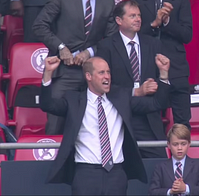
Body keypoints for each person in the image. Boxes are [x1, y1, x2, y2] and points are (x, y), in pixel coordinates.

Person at [40, 54, 171, 195]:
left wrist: (163, 75)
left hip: (116, 174)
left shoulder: (121, 97)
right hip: (86, 175)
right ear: (88, 76)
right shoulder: (73, 100)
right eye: (101, 72)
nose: (107, 76)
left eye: (108, 72)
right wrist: (48, 74)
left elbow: (157, 103)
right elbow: (48, 105)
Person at [33, 0, 118, 135]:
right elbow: (39, 25)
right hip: (64, 72)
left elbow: (112, 38)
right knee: (55, 126)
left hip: (92, 75)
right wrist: (60, 47)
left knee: (90, 127)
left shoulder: (107, 4)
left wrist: (90, 52)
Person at [97, 0, 167, 158]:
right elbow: (102, 84)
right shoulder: (106, 46)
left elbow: (161, 78)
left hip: (148, 115)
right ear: (119, 21)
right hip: (120, 113)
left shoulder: (153, 44)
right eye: (132, 16)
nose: (138, 19)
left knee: (157, 161)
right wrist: (136, 91)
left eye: (139, 16)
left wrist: (161, 78)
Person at [131, 0, 192, 129]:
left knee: (182, 122)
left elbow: (187, 35)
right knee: (148, 123)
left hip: (175, 66)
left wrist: (167, 22)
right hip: (147, 65)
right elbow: (132, 35)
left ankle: (182, 152)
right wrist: (154, 23)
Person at [149, 123, 199, 195]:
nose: (179, 148)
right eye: (175, 144)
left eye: (183, 144)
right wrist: (170, 192)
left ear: (189, 144)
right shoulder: (160, 167)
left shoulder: (198, 166)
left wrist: (186, 189)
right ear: (169, 145)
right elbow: (152, 192)